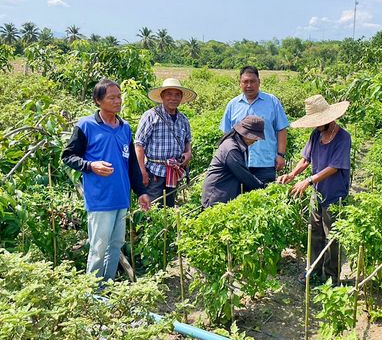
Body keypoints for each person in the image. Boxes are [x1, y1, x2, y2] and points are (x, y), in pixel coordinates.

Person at [62, 78, 150, 282]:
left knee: (115, 245)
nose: (118, 101)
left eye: (119, 96)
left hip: (121, 197)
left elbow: (132, 166)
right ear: (98, 101)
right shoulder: (86, 126)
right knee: (98, 247)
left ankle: (107, 285)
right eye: (112, 97)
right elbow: (68, 156)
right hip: (100, 199)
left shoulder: (124, 127)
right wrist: (91, 166)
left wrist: (141, 192)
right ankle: (91, 292)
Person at [278, 95, 351, 285]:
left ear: (330, 118)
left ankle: (332, 278)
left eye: (320, 122)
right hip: (317, 193)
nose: (317, 125)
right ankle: (313, 270)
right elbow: (305, 159)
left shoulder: (343, 137)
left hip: (335, 195)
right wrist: (292, 175)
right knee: (315, 233)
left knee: (332, 236)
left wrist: (308, 181)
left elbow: (334, 167)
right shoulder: (316, 135)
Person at [220, 66, 289, 184]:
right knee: (238, 200)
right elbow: (226, 134)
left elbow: (281, 129)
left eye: (252, 81)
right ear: (240, 83)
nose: (249, 85)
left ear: (259, 82)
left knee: (264, 199)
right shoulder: (233, 104)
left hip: (265, 162)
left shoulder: (272, 101)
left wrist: (280, 154)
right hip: (238, 163)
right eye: (245, 82)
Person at [135, 78, 196, 207]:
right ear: (162, 96)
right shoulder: (151, 116)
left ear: (181, 98)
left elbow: (187, 141)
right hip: (154, 172)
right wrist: (142, 171)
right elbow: (139, 144)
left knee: (169, 206)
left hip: (174, 171)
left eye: (177, 95)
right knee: (151, 208)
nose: (173, 98)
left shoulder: (183, 119)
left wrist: (188, 153)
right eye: (169, 94)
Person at [202, 115, 266, 208]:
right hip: (217, 197)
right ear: (245, 133)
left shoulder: (238, 145)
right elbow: (244, 175)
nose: (256, 140)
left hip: (224, 193)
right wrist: (264, 189)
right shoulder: (231, 148)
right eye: (254, 137)